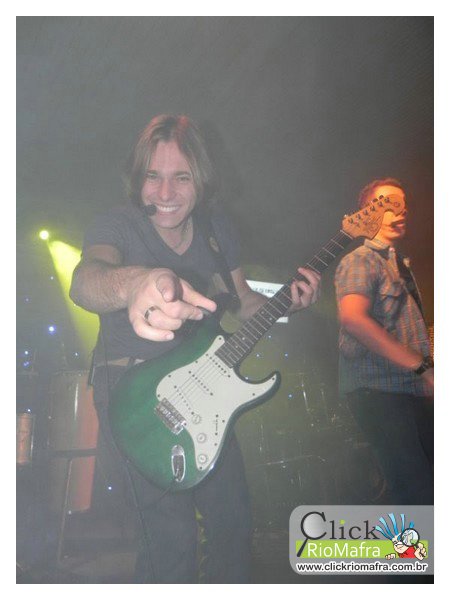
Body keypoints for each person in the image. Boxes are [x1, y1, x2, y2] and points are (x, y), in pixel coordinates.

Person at [70, 114, 321, 583]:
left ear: (201, 180)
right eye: (153, 176)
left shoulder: (216, 230)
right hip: (133, 395)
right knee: (171, 543)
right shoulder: (117, 225)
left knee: (234, 526)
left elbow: (243, 300)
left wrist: (289, 301)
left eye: (181, 177)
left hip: (203, 392)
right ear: (137, 179)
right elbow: (85, 281)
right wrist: (136, 283)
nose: (165, 192)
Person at [334, 178, 433, 505]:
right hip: (379, 392)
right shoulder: (360, 260)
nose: (400, 212)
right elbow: (353, 319)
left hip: (410, 390)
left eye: (403, 205)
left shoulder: (399, 263)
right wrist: (422, 367)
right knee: (416, 492)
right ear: (369, 212)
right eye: (390, 205)